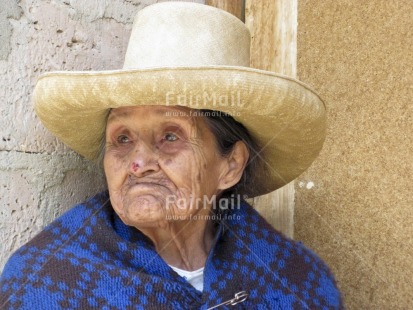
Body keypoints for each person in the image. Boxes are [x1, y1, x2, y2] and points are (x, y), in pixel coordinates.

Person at [0, 2, 342, 309]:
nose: (137, 163)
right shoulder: (44, 282)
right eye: (122, 138)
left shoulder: (297, 280)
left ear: (231, 165)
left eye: (169, 136)